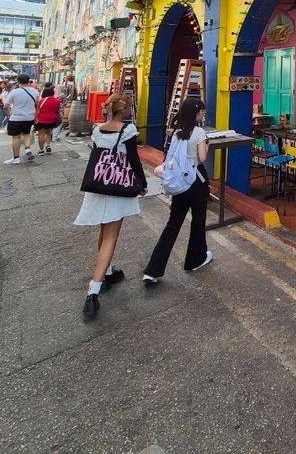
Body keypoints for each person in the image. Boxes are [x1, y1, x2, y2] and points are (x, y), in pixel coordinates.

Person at [74, 93, 147, 320]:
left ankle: (106, 272)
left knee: (104, 230)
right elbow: (134, 161)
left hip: (98, 186)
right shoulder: (128, 130)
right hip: (118, 186)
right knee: (111, 236)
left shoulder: (98, 129)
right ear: (123, 109)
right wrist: (142, 184)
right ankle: (94, 290)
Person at [143, 99, 212, 285]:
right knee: (198, 221)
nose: (203, 115)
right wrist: (206, 145)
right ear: (196, 113)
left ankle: (153, 269)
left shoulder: (177, 132)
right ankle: (194, 260)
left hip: (180, 183)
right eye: (202, 112)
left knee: (173, 224)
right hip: (196, 182)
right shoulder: (199, 133)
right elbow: (202, 158)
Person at [3, 74, 39, 164]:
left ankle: (16, 158)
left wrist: (9, 115)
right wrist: (35, 115)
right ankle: (27, 149)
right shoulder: (35, 91)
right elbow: (38, 105)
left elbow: (5, 106)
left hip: (16, 118)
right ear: (28, 81)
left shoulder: (14, 92)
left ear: (18, 82)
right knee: (26, 134)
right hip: (29, 117)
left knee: (16, 137)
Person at [34, 85, 62, 155]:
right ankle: (48, 146)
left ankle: (41, 150)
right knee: (49, 133)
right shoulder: (57, 101)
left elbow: (36, 110)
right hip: (52, 119)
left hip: (41, 119)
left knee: (41, 134)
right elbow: (59, 110)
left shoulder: (41, 101)